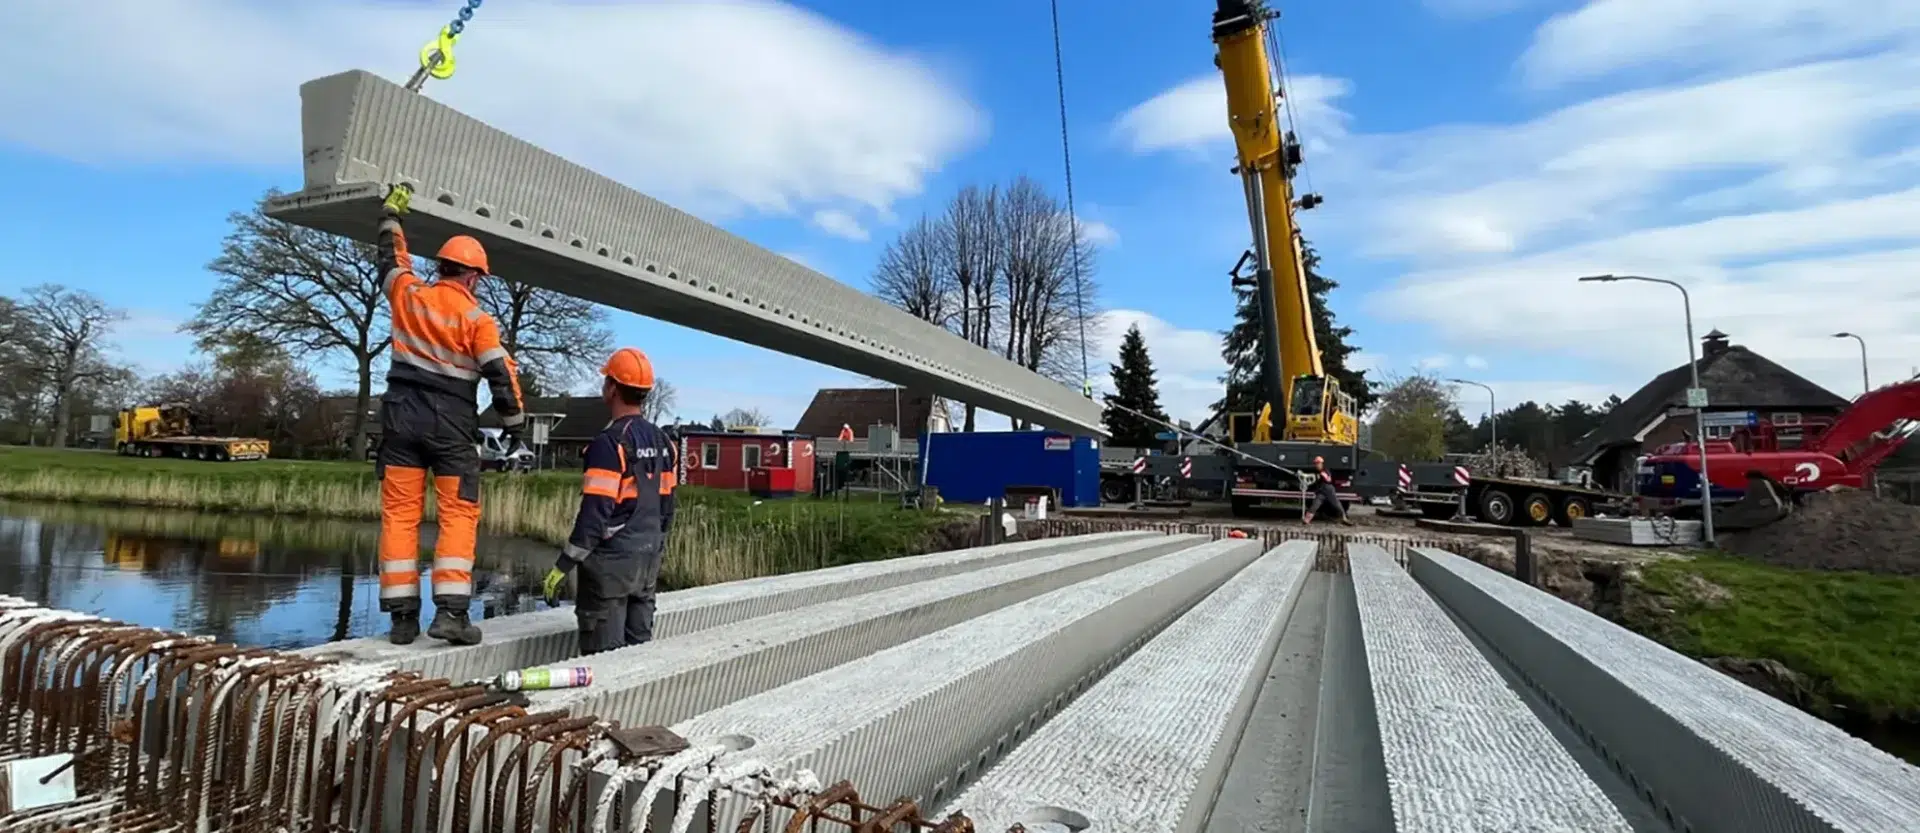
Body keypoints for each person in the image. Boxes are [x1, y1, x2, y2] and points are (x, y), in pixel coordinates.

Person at [373, 184, 527, 646]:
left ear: (440, 267)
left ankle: (402, 621)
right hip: (452, 426)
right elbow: (501, 376)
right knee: (458, 514)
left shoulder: (408, 295)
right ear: (475, 277)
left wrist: (390, 217)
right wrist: (516, 431)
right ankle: (451, 615)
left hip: (399, 420)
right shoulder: (477, 320)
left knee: (399, 516)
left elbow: (390, 261)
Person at [542, 348, 680, 656]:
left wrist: (563, 566)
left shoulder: (609, 444)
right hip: (647, 563)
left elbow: (594, 515)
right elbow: (667, 508)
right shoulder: (664, 443)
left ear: (613, 388)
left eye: (606, 380)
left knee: (603, 662)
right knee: (636, 658)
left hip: (608, 571)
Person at [1302, 455, 1353, 526]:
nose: (1316, 465)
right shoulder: (1317, 471)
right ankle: (1306, 520)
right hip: (1321, 491)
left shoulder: (1326, 470)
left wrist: (1320, 476)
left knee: (1336, 504)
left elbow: (1328, 479)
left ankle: (1343, 518)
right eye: (1316, 463)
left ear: (1321, 463)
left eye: (1318, 463)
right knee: (1315, 504)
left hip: (1328, 490)